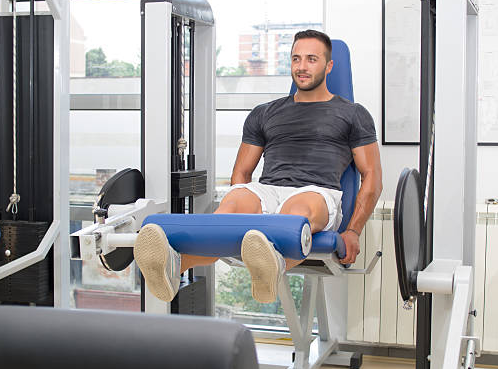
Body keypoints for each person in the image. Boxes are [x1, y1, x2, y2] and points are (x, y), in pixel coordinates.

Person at [134, 29, 382, 304]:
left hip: (317, 193)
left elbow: (371, 176)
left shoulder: (352, 114)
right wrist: (240, 205)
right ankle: (175, 266)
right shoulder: (264, 113)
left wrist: (352, 231)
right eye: (296, 59)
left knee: (293, 215)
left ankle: (272, 266)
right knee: (231, 204)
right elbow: (241, 173)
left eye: (312, 59)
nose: (301, 66)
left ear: (329, 65)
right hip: (268, 189)